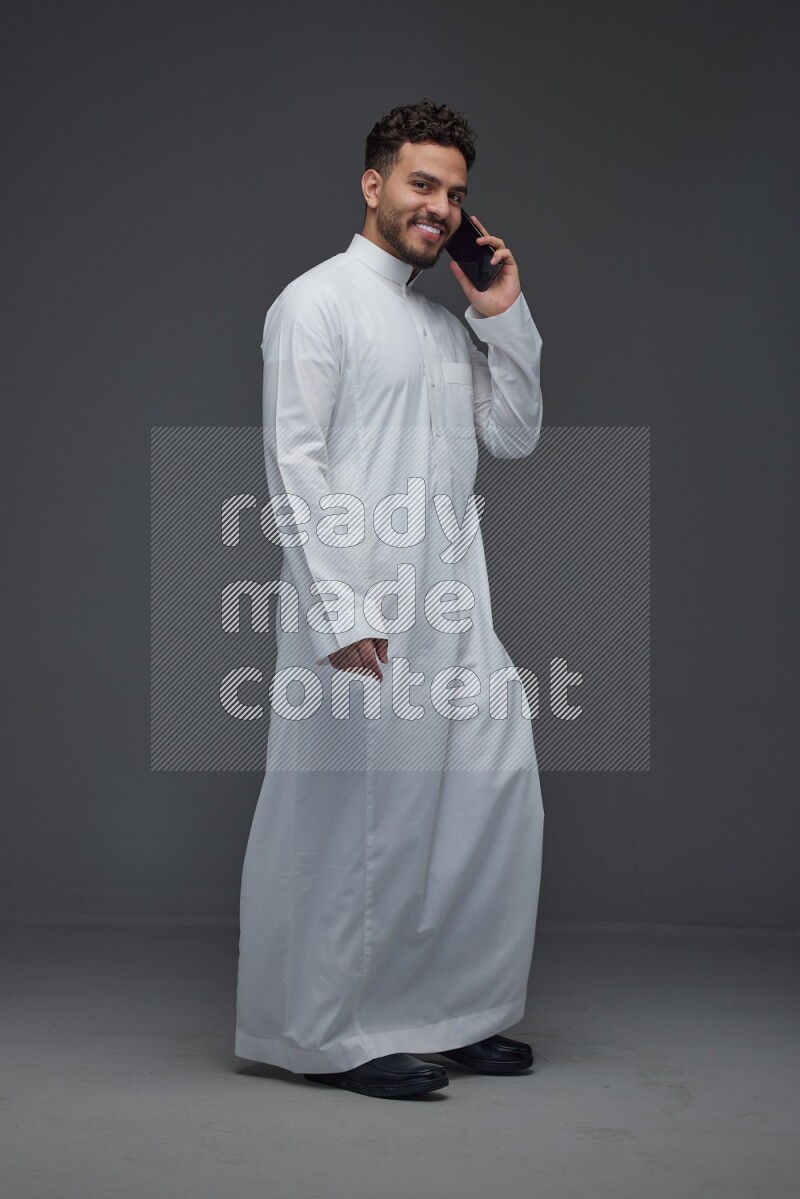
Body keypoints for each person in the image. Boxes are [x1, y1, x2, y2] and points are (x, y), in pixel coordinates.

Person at [235, 99, 545, 1100]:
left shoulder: (442, 322)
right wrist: (340, 611)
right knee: (349, 819)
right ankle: (319, 1032)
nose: (440, 207)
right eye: (421, 184)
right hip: (358, 598)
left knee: (473, 802)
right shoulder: (313, 303)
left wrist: (504, 315)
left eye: (454, 192)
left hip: (452, 601)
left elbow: (512, 435)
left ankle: (442, 1012)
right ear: (373, 185)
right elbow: (295, 462)